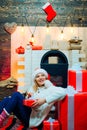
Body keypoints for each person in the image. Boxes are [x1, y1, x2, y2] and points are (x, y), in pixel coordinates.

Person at [0, 68, 67, 130]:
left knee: (16, 94)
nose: (40, 78)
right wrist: (28, 97)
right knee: (7, 100)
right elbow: (29, 103)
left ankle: (1, 118)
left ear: (46, 78)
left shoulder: (51, 88)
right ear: (35, 79)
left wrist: (44, 100)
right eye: (37, 76)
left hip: (32, 120)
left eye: (42, 75)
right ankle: (1, 118)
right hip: (28, 114)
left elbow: (63, 92)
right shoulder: (34, 88)